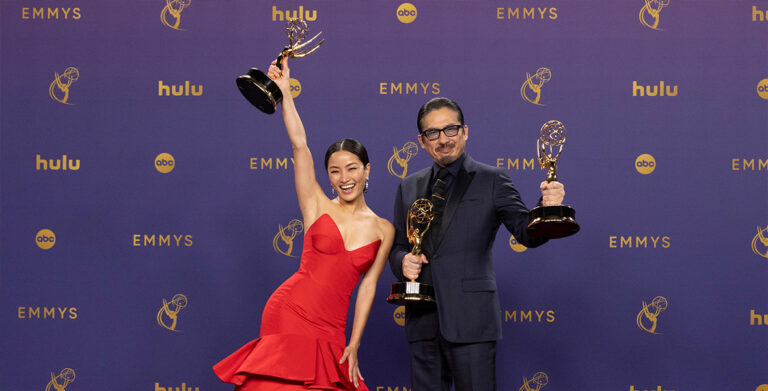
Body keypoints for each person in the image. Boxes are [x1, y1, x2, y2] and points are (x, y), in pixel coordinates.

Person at [214, 58, 394, 391]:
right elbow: (300, 145)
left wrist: (354, 344)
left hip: (332, 328)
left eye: (352, 168)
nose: (345, 178)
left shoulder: (384, 229)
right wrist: (285, 92)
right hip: (290, 312)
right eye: (335, 171)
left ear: (367, 170)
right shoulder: (315, 205)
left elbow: (368, 288)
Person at [388, 97, 566, 391]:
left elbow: (526, 233)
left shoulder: (493, 180)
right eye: (433, 133)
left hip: (472, 321)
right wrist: (401, 262)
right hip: (422, 323)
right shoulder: (408, 185)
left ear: (465, 131)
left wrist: (546, 209)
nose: (443, 139)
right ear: (421, 141)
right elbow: (396, 246)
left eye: (450, 129)